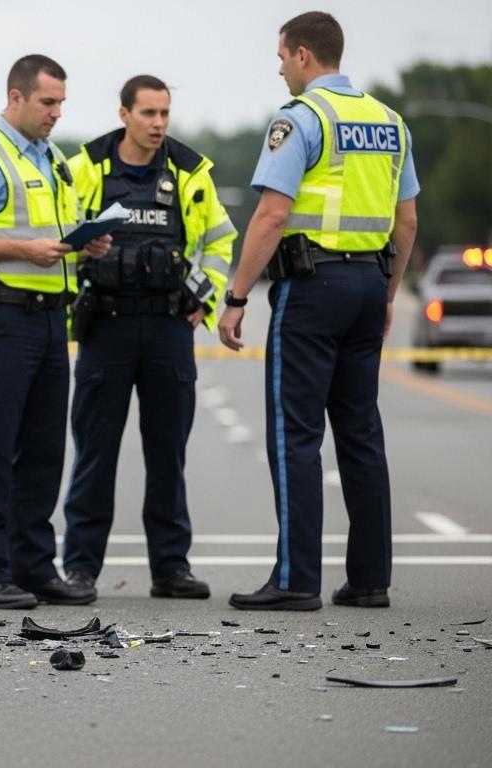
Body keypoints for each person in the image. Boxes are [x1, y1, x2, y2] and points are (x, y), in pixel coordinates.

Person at [219, 11, 418, 610]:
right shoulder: (391, 123)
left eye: (282, 56)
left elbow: (272, 215)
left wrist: (235, 298)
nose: (279, 68)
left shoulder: (302, 118)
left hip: (311, 289)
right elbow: (406, 221)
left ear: (304, 55)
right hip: (367, 285)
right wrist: (386, 294)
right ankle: (369, 580)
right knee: (360, 433)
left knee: (295, 434)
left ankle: (296, 578)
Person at [0, 54, 111, 609]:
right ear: (16, 98)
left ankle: (34, 568)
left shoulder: (54, 160)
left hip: (50, 318)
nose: (57, 112)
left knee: (43, 451)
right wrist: (24, 250)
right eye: (47, 102)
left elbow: (52, 236)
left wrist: (86, 243)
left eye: (61, 102)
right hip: (4, 318)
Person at [59, 75, 236, 603]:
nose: (158, 124)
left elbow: (220, 242)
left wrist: (204, 299)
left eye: (164, 114)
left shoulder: (189, 170)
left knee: (167, 454)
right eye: (148, 114)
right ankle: (80, 569)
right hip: (106, 327)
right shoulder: (85, 168)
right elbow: (59, 238)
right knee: (94, 452)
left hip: (167, 329)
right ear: (124, 114)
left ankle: (171, 568)